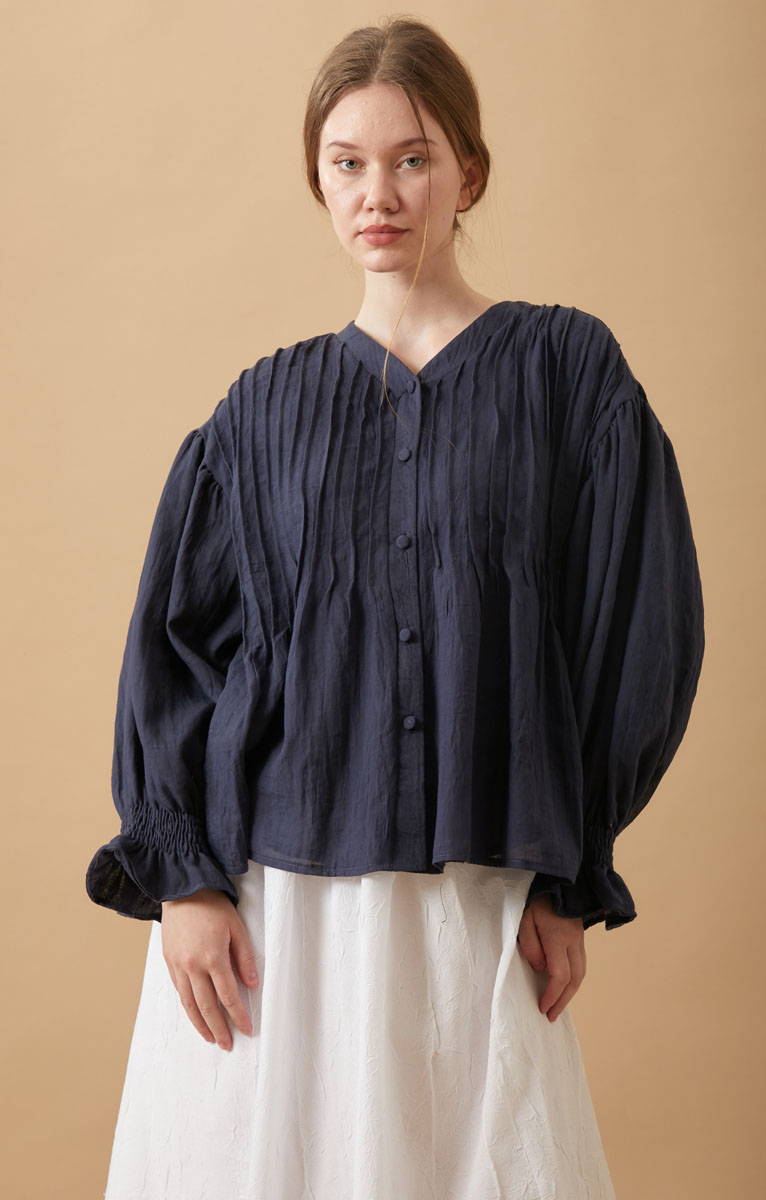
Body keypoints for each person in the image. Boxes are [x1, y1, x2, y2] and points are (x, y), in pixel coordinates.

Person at [86, 15, 705, 1200]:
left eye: (411, 158)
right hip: (274, 911)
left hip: (475, 895)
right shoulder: (257, 413)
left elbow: (638, 628)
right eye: (347, 163)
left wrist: (570, 874)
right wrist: (184, 880)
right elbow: (174, 652)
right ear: (317, 182)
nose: (378, 193)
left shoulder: (567, 375)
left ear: (468, 171)